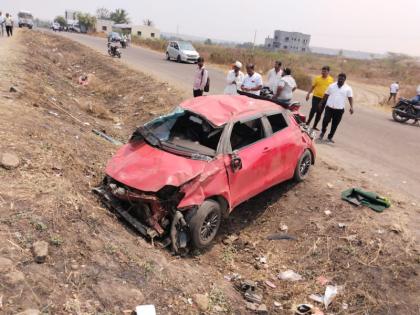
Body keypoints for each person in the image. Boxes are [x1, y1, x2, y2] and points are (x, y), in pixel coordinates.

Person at [319, 73, 354, 143]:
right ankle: (323, 131)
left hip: (339, 110)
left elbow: (350, 97)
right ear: (338, 78)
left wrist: (351, 107)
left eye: (342, 79)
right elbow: (326, 94)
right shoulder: (331, 86)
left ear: (345, 79)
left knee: (335, 124)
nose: (340, 80)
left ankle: (330, 137)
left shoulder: (348, 88)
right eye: (339, 78)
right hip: (329, 107)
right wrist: (321, 102)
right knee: (325, 120)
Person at [306, 66, 334, 130]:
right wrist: (308, 94)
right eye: (322, 71)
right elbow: (313, 86)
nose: (323, 72)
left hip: (324, 99)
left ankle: (314, 126)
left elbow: (331, 90)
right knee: (313, 110)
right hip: (316, 97)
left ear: (328, 72)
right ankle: (308, 123)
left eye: (325, 71)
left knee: (319, 112)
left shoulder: (331, 80)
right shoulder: (317, 78)